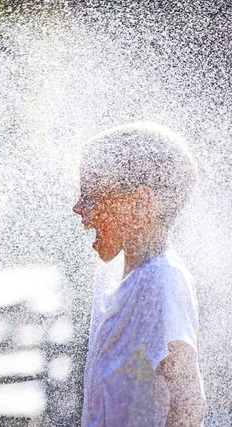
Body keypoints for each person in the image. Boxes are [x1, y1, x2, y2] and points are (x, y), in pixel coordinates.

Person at [73, 122, 206, 426]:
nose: (78, 207)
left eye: (92, 194)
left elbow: (188, 407)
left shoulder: (163, 282)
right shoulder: (110, 276)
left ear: (139, 203)